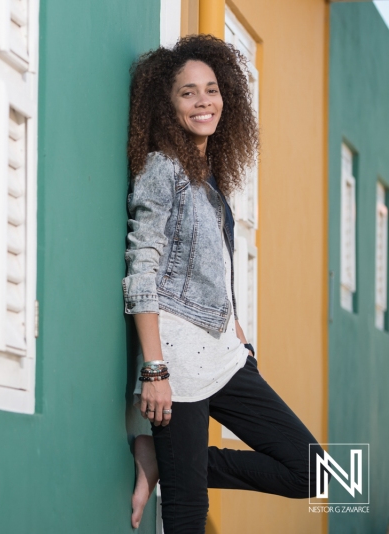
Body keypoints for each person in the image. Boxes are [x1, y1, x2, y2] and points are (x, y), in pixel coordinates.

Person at [122, 35, 326, 533]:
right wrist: (154, 370)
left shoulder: (209, 178)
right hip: (177, 356)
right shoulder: (161, 169)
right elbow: (142, 270)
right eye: (187, 92)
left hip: (223, 352)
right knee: (189, 514)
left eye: (211, 90)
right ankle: (171, 465)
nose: (203, 102)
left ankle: (163, 462)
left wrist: (234, 322)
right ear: (167, 105)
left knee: (313, 471)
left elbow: (207, 266)